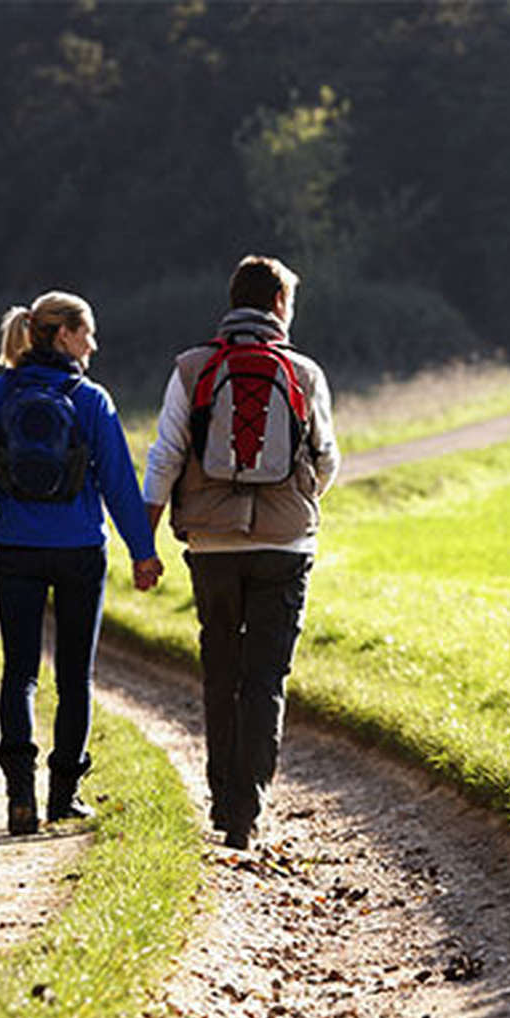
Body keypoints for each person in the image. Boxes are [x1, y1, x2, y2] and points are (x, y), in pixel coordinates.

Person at [142, 255, 339, 850]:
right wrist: (298, 497)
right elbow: (327, 459)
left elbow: (166, 456)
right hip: (285, 543)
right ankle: (246, 811)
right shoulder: (303, 372)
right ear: (279, 302)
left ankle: (222, 795)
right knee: (266, 677)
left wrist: (142, 540)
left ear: (234, 302)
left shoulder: (192, 367)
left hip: (211, 543)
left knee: (220, 670)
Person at [0, 291, 163, 836]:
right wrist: (143, 552)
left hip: (17, 550)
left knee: (20, 672)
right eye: (87, 333)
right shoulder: (92, 398)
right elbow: (119, 482)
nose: (94, 345)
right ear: (65, 335)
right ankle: (64, 795)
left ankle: (19, 796)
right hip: (79, 551)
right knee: (75, 676)